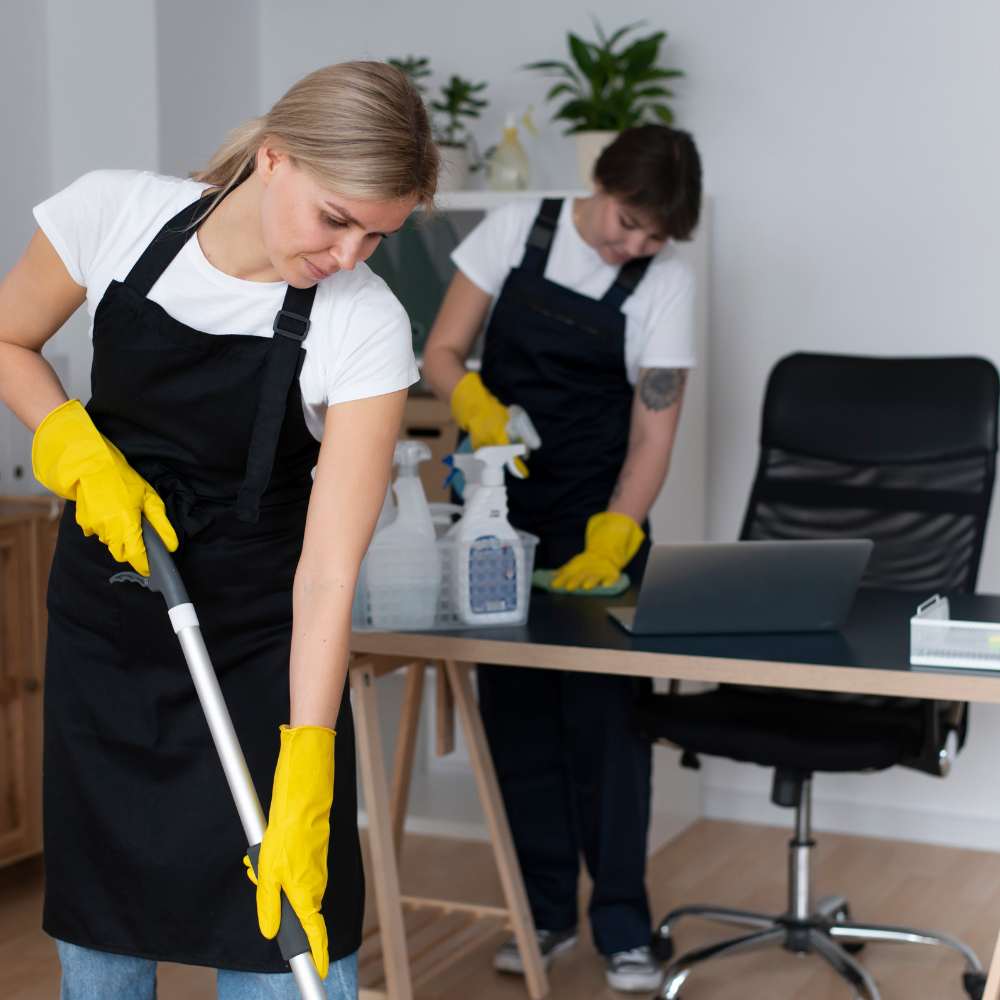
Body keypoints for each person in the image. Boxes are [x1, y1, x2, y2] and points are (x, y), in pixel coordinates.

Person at [0, 62, 436, 1000]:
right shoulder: (110, 214)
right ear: (273, 158)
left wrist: (308, 762)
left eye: (379, 235)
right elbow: (6, 336)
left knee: (287, 955)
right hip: (107, 639)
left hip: (259, 651)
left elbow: (326, 575)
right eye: (336, 218)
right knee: (104, 949)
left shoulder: (365, 326)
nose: (352, 254)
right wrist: (73, 442)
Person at [422, 124, 702, 993]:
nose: (637, 244)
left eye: (655, 235)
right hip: (498, 513)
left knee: (609, 726)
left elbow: (654, 431)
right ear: (600, 183)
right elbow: (441, 351)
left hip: (599, 517)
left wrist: (618, 531)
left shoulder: (667, 280)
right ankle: (541, 912)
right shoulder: (516, 230)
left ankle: (622, 923)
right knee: (519, 721)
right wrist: (473, 401)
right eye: (628, 222)